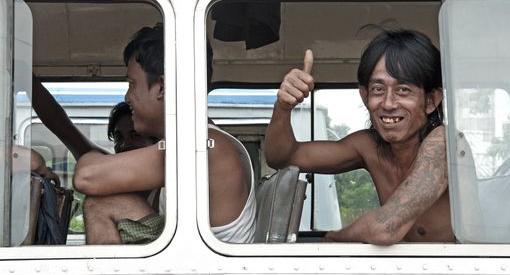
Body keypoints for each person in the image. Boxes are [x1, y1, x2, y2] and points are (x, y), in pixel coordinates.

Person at [265, 29, 453, 245]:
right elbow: (281, 158)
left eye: (403, 90)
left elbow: (384, 229)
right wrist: (283, 107)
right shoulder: (369, 145)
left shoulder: (443, 143)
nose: (388, 104)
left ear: (431, 100)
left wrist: (333, 238)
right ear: (365, 96)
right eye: (378, 89)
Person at [73, 24, 256, 244]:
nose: (127, 97)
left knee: (100, 204)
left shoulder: (204, 146)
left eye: (132, 83)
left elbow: (86, 176)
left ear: (161, 87)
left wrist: (90, 159)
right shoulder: (190, 142)